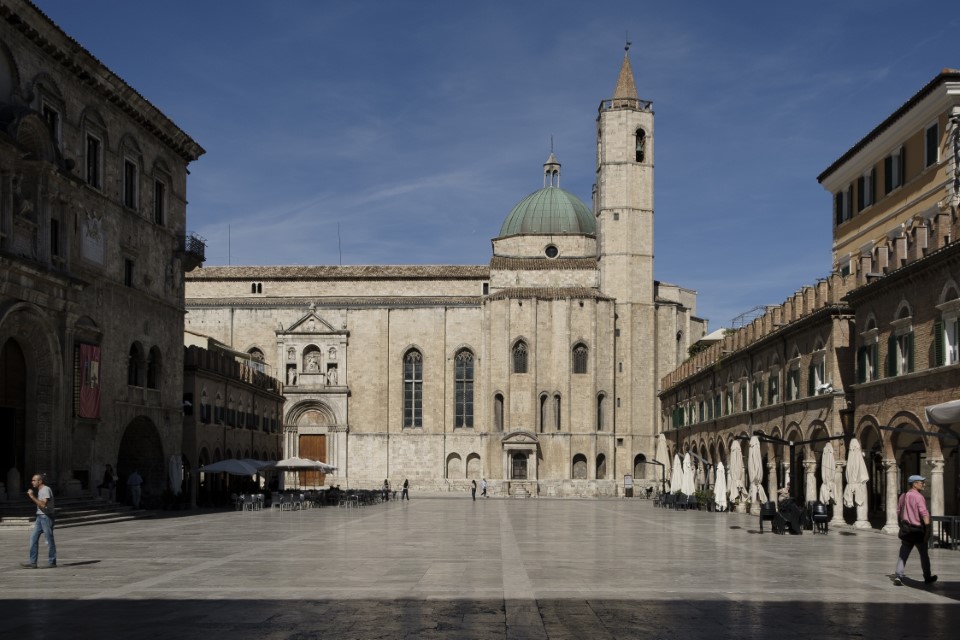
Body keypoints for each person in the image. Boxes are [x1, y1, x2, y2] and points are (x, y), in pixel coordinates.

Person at [894, 474, 937, 586]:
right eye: (921, 482)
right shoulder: (918, 496)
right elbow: (924, 513)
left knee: (903, 554)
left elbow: (899, 512)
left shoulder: (903, 496)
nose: (923, 484)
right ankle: (927, 576)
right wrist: (928, 528)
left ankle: (898, 576)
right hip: (918, 530)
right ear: (914, 484)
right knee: (924, 555)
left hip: (906, 530)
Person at [22, 474, 56, 569]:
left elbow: (42, 504)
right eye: (32, 480)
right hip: (40, 517)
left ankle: (52, 561)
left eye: (34, 480)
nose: (32, 482)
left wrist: (32, 496)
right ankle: (33, 562)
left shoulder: (45, 489)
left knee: (49, 540)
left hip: (46, 517)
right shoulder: (40, 490)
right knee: (33, 539)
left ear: (40, 481)